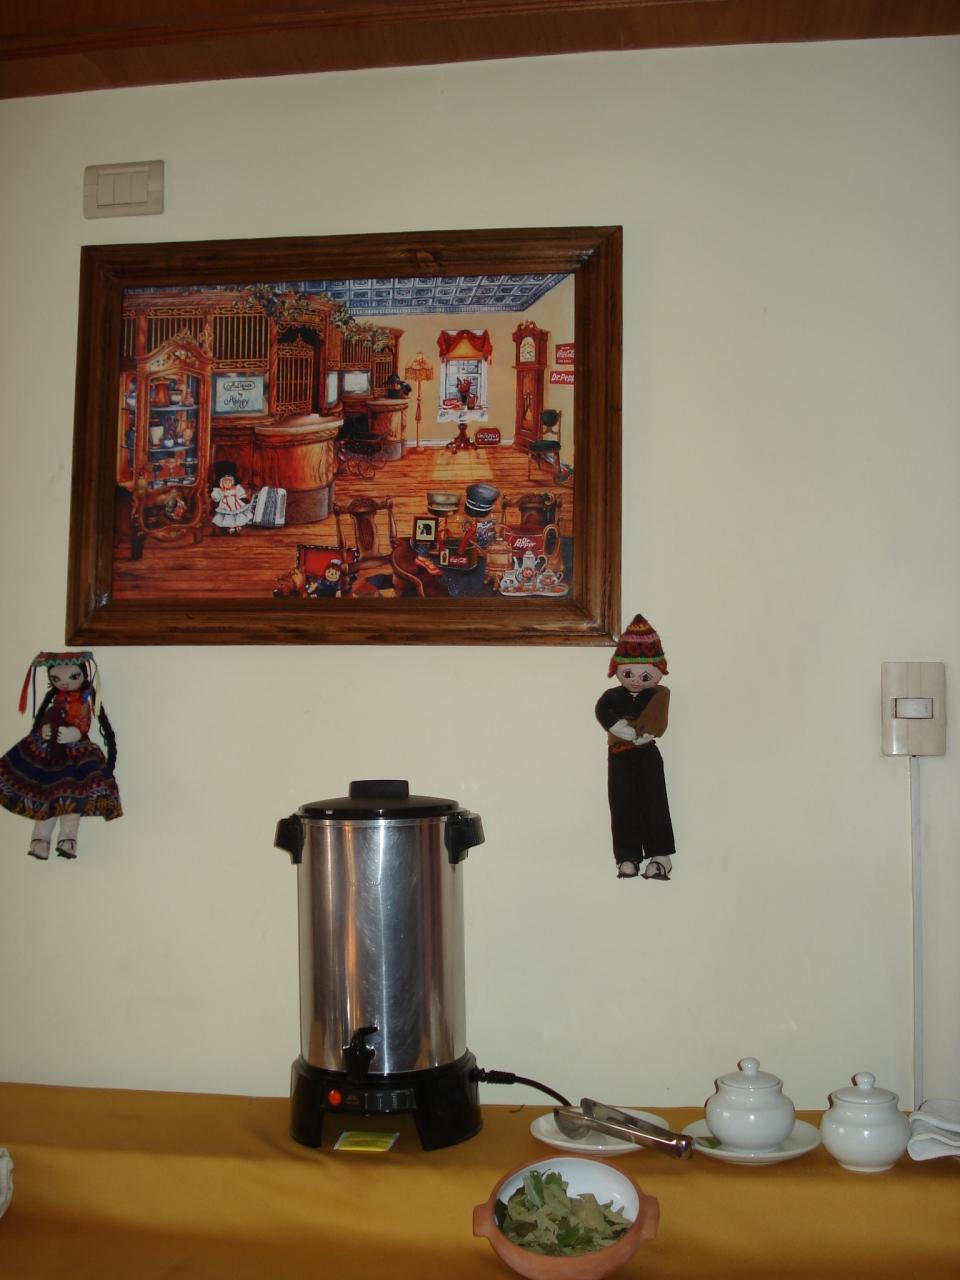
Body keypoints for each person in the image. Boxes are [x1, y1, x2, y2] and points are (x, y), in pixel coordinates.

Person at [0, 652, 122, 860]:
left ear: (83, 674)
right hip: (50, 754)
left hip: (76, 756)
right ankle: (40, 840)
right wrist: (44, 730)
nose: (64, 683)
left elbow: (88, 722)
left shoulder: (85, 699)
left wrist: (76, 732)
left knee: (72, 799)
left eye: (72, 677)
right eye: (56, 678)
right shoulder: (55, 700)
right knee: (46, 797)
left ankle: (68, 839)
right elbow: (43, 720)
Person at [595, 614, 675, 880]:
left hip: (647, 754)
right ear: (617, 669)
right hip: (618, 757)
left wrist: (645, 733)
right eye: (629, 673)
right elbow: (603, 712)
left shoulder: (658, 695)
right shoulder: (612, 697)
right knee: (622, 805)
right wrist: (621, 728)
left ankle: (660, 855)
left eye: (645, 675)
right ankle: (627, 856)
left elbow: (658, 721)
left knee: (654, 802)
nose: (636, 680)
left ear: (658, 672)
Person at [210, 460, 253, 534]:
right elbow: (216, 496)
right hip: (225, 505)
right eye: (225, 483)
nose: (228, 484)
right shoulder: (220, 491)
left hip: (235, 504)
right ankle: (230, 527)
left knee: (237, 515)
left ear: (232, 482)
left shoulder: (235, 488)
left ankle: (237, 525)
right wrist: (215, 498)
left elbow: (241, 494)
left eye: (229, 482)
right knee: (228, 517)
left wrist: (242, 497)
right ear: (222, 484)